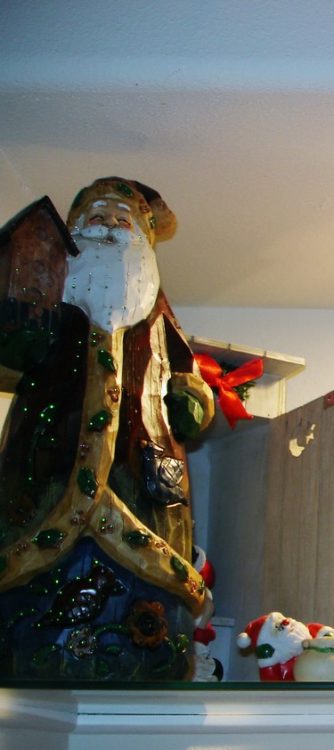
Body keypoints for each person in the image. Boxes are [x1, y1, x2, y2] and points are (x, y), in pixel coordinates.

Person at [0, 178, 215, 679]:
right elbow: (17, 345)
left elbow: (186, 373)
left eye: (123, 220)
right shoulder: (49, 305)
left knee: (146, 620)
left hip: (144, 483)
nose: (109, 227)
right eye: (96, 217)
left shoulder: (156, 315)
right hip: (44, 469)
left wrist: (192, 394)